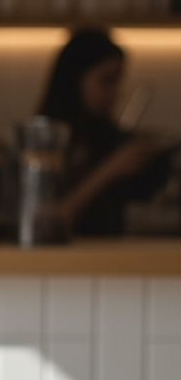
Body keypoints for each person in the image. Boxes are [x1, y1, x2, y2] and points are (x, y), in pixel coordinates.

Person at [38, 27, 170, 236]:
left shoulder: (108, 139)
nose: (116, 92)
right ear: (74, 79)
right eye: (107, 80)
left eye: (118, 81)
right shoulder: (44, 140)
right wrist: (110, 170)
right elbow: (48, 221)